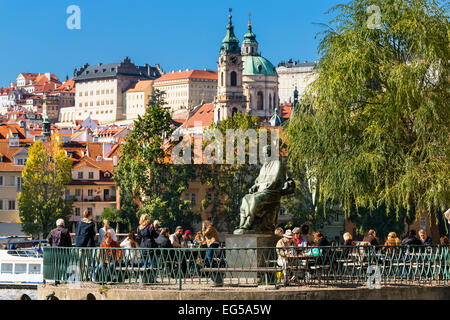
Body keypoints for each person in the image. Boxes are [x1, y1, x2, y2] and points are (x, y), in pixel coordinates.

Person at [136, 214, 159, 283]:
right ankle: (153, 279)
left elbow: (138, 237)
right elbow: (155, 235)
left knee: (144, 263)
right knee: (152, 263)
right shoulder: (150, 226)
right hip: (150, 245)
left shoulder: (139, 227)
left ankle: (144, 279)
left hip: (142, 246)